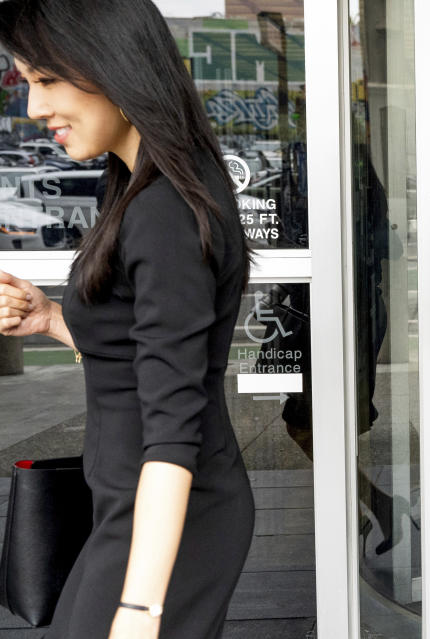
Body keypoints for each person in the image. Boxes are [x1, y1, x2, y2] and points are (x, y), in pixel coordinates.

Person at [0, 1, 254, 637]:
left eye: (45, 79)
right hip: (136, 507)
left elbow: (174, 420)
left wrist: (141, 609)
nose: (33, 109)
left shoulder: (164, 204)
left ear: (109, 62)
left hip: (170, 511)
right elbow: (146, 345)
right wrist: (53, 319)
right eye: (27, 83)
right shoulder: (138, 180)